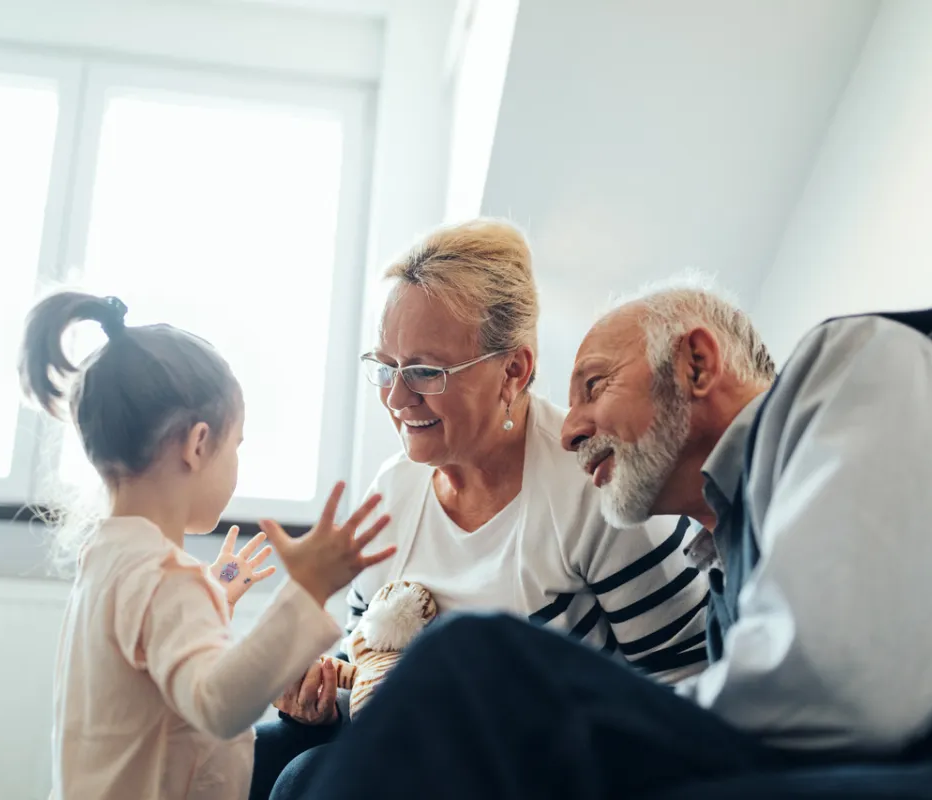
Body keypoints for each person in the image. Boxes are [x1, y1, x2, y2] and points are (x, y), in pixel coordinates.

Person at [300, 279, 932, 798]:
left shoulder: (857, 363)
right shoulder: (728, 572)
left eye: (594, 386)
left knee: (473, 664)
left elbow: (844, 685)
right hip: (896, 758)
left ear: (697, 363)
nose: (570, 428)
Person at [253, 222, 710, 799]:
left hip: (543, 774)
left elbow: (684, 685)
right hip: (417, 756)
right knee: (260, 755)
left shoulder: (595, 485)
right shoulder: (393, 490)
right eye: (386, 367)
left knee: (304, 779)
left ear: (512, 370)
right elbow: (366, 661)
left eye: (425, 371)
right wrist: (318, 694)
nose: (396, 397)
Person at [18, 291, 395, 800]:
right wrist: (306, 590)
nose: (236, 462)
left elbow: (156, 666)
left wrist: (213, 597)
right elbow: (219, 705)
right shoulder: (166, 581)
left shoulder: (107, 558)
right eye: (235, 445)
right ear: (197, 445)